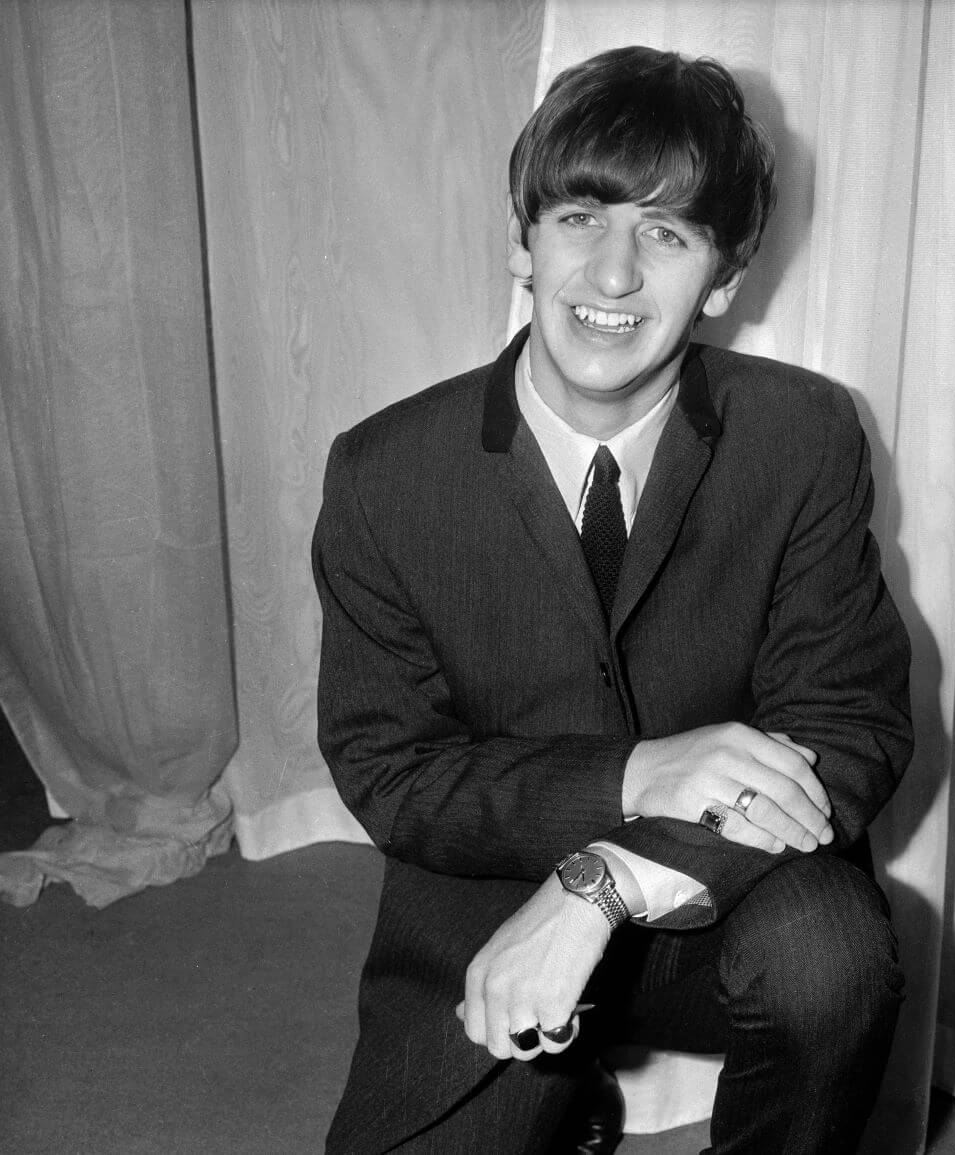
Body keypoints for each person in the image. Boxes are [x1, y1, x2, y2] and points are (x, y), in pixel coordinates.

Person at [312, 45, 911, 1155]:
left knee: (832, 962)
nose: (615, 274)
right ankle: (560, 1093)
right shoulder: (384, 472)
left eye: (668, 234)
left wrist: (601, 882)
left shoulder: (806, 435)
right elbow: (391, 775)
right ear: (521, 240)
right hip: (488, 901)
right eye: (583, 217)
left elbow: (851, 730)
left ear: (725, 280)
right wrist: (636, 775)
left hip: (726, 891)